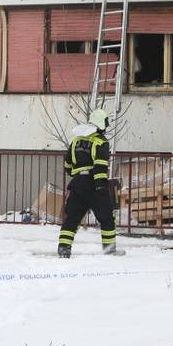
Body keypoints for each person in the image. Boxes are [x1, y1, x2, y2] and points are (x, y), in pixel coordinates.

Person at [57, 108, 117, 258]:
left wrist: (78, 175)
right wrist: (101, 185)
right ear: (101, 124)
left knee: (72, 217)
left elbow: (68, 166)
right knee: (107, 217)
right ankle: (109, 249)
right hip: (94, 185)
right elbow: (100, 165)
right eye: (106, 123)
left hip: (77, 184)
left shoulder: (76, 140)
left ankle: (64, 248)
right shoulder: (100, 142)